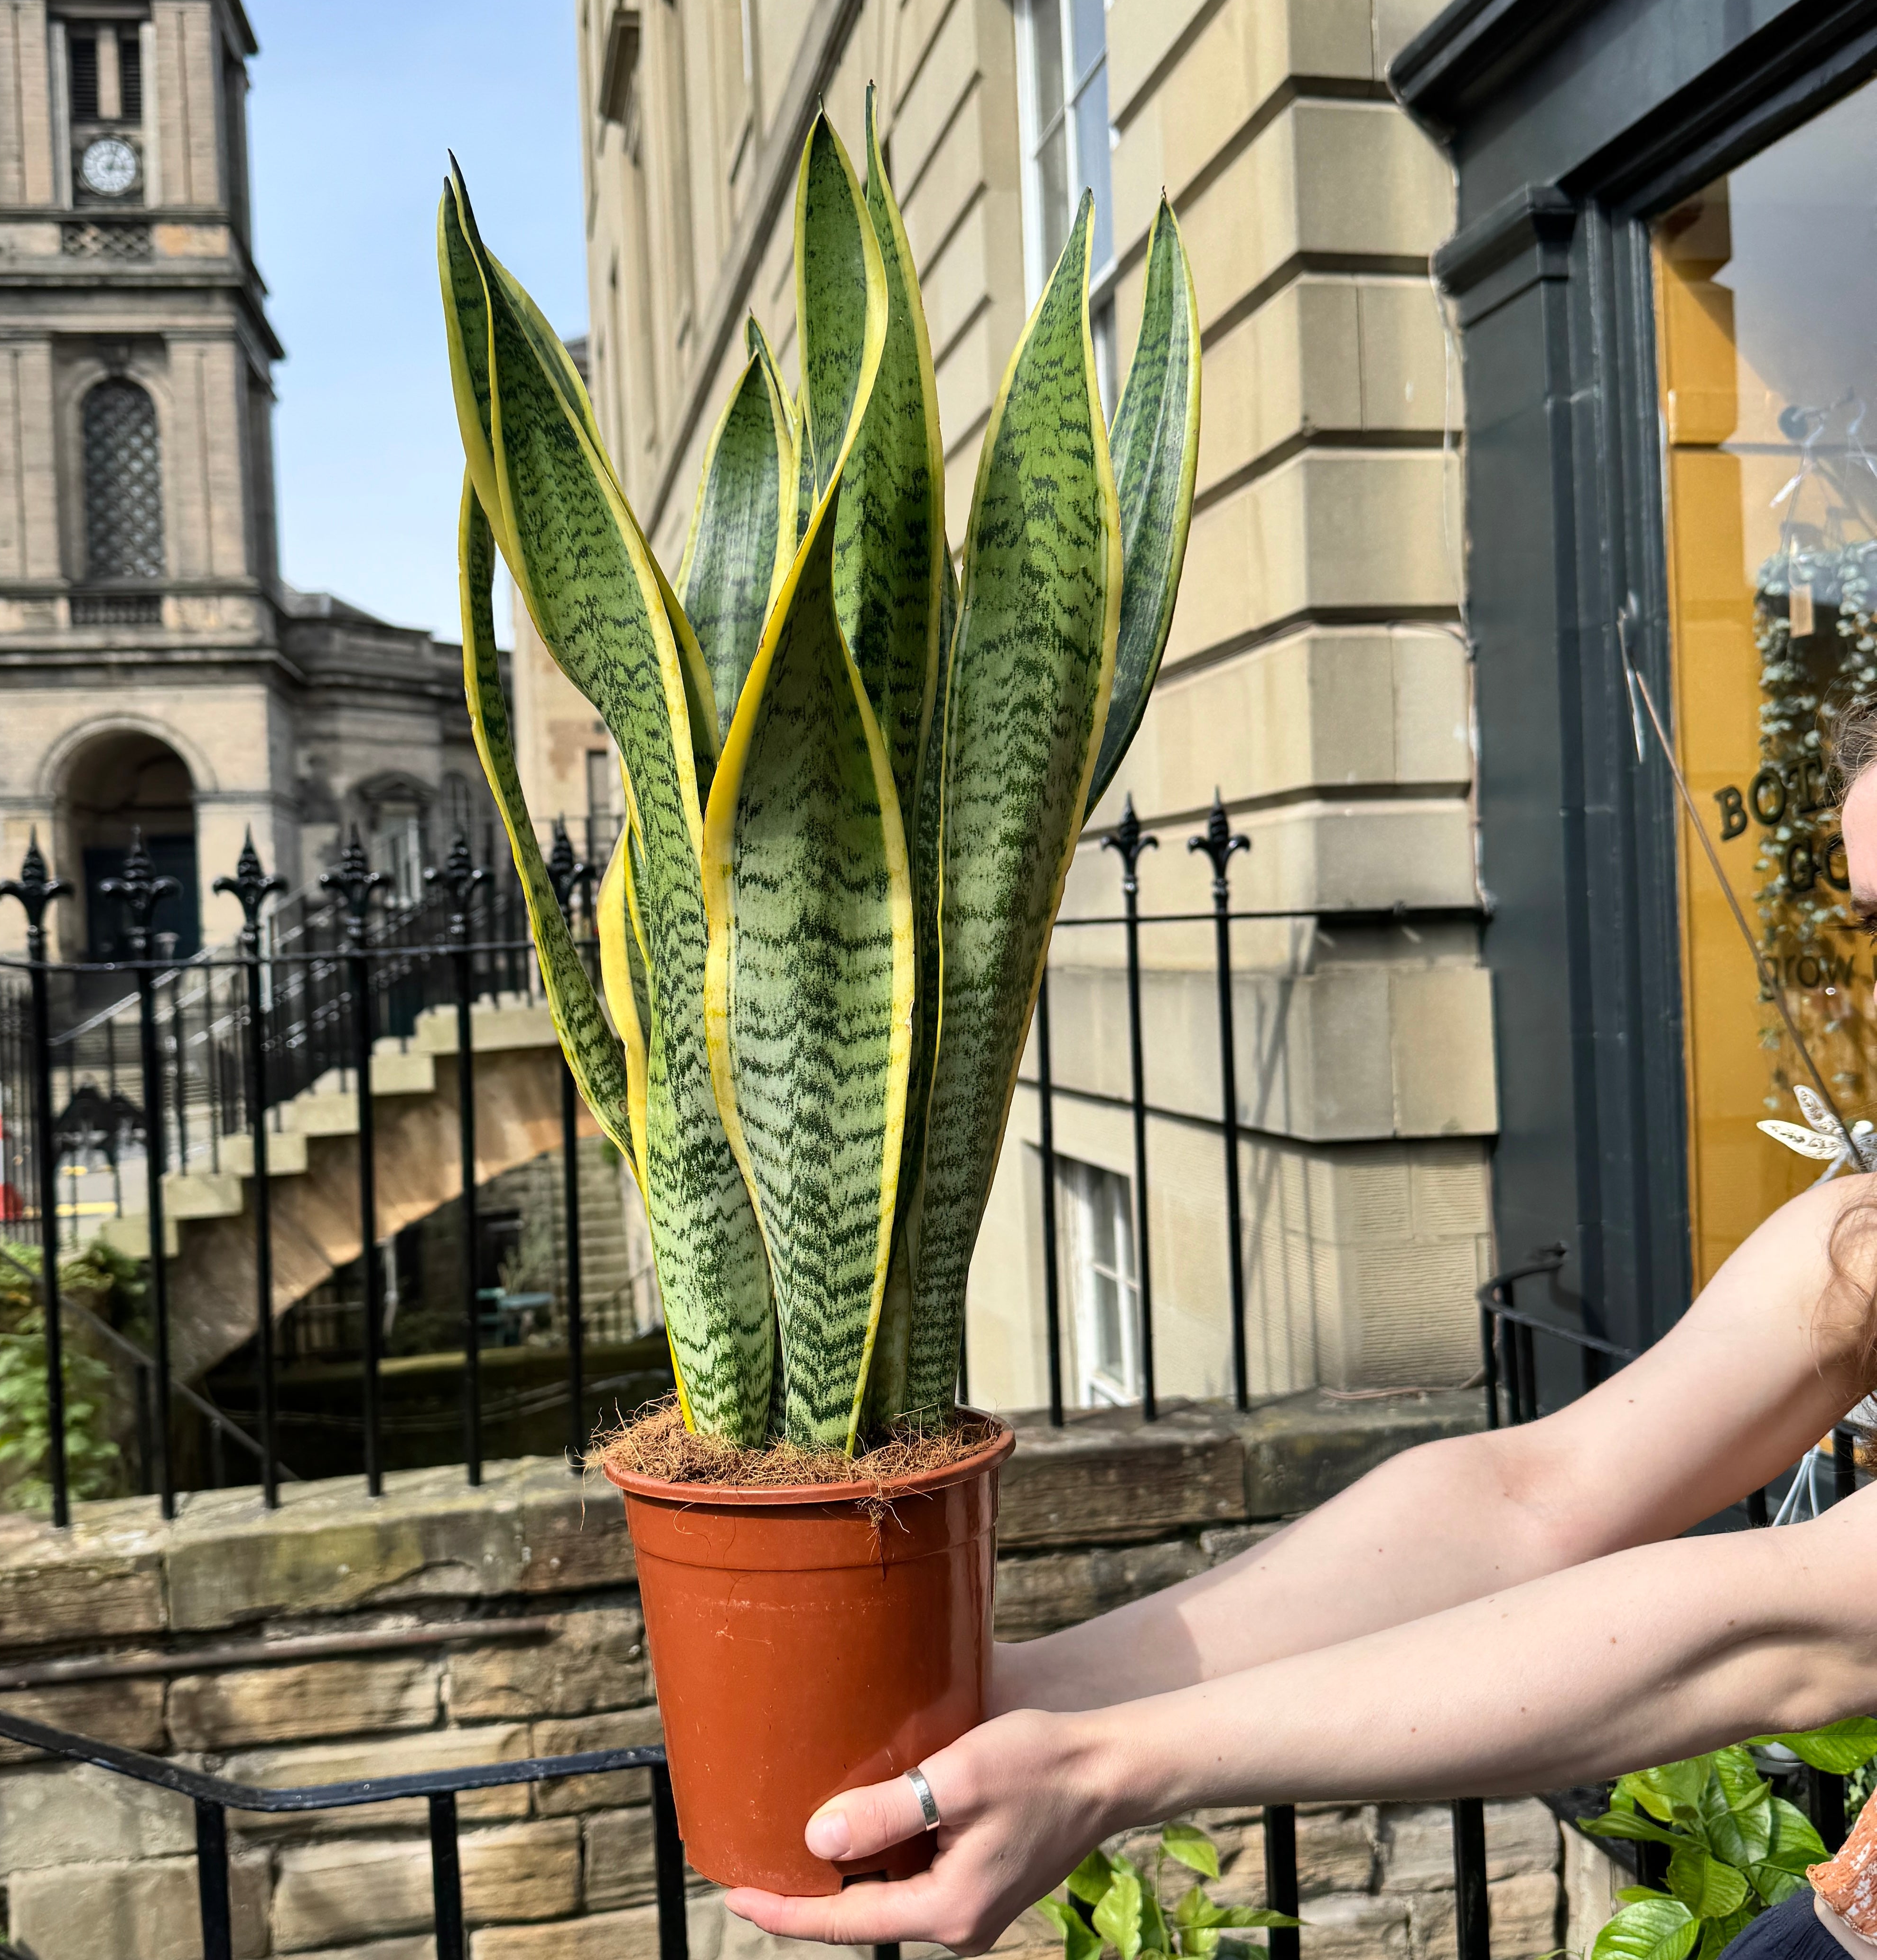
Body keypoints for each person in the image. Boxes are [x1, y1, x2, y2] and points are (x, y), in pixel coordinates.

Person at [725, 708, 1877, 1959]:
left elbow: (1793, 1629)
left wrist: (1105, 1764)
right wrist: (1002, 1696)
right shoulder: (1858, 1236)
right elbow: (1533, 1496)